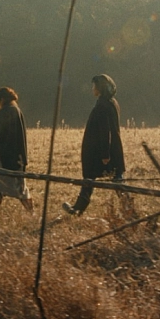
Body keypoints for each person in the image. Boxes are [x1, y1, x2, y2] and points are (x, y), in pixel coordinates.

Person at [63, 74, 125, 216]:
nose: (92, 89)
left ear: (100, 88)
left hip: (100, 152)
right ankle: (79, 208)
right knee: (115, 180)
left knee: (93, 179)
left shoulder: (102, 106)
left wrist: (105, 154)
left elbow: (105, 131)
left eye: (94, 86)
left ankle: (79, 208)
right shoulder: (111, 102)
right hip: (111, 149)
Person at [0, 87, 33, 211]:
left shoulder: (4, 112)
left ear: (1, 99)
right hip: (17, 155)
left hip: (5, 156)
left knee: (16, 187)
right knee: (6, 185)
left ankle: (30, 210)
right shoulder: (16, 110)